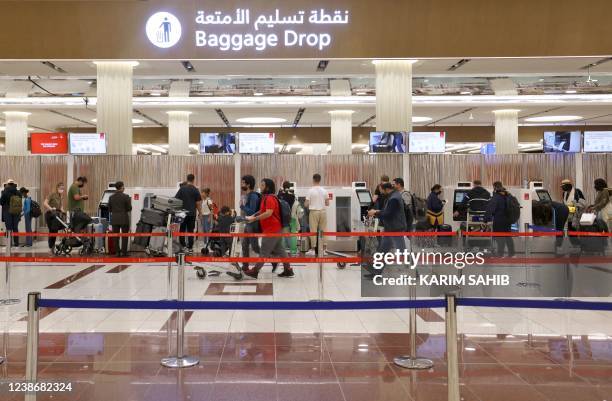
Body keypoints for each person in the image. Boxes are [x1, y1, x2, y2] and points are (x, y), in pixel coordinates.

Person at [228, 178, 294, 280]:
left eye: (263, 185)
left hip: (272, 229)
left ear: (267, 187)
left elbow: (268, 213)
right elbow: (261, 211)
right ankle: (288, 269)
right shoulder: (266, 198)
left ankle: (255, 271)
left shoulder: (270, 198)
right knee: (280, 250)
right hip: (275, 228)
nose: (261, 187)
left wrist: (254, 218)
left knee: (264, 251)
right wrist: (252, 216)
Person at [365, 182, 407, 278]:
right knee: (382, 252)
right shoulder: (392, 196)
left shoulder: (394, 199)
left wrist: (375, 212)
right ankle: (376, 272)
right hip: (391, 229)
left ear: (386, 189)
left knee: (402, 252)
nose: (381, 193)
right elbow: (387, 211)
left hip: (396, 230)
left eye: (381, 191)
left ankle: (414, 273)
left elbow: (388, 213)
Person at [484, 181, 516, 257]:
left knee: (499, 237)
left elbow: (490, 209)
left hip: (499, 219)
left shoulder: (496, 196)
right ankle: (512, 254)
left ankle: (500, 254)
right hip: (508, 220)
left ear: (494, 187)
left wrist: (486, 220)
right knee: (508, 237)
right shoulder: (508, 195)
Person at [239, 175, 263, 271]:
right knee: (244, 245)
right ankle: (245, 265)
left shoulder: (253, 196)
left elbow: (252, 212)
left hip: (252, 224)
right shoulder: (248, 195)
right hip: (248, 223)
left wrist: (242, 206)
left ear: (248, 184)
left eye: (243, 182)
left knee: (255, 247)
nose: (242, 184)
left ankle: (272, 259)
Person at [174, 174, 202, 253]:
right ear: (193, 180)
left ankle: (183, 246)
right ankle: (190, 248)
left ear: (187, 179)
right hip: (192, 213)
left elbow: (176, 200)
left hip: (182, 213)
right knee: (190, 231)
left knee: (182, 230)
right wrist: (200, 213)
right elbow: (198, 203)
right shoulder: (195, 190)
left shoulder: (182, 189)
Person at [305, 173, 329, 254]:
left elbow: (306, 204)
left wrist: (306, 204)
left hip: (314, 212)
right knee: (323, 230)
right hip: (323, 212)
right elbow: (327, 203)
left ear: (313, 180)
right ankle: (324, 250)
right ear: (320, 180)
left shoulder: (310, 190)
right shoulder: (324, 190)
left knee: (313, 230)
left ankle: (312, 249)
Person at [108, 181, 132, 257]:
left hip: (114, 219)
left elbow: (109, 209)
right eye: (123, 186)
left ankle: (117, 252)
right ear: (121, 187)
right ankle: (124, 253)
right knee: (124, 236)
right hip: (124, 219)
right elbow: (129, 208)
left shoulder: (111, 197)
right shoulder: (126, 196)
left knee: (116, 237)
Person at [44, 182, 65, 253]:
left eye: (63, 188)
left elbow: (61, 206)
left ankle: (52, 246)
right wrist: (50, 208)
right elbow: (45, 203)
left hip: (57, 215)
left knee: (55, 230)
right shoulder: (52, 194)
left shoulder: (61, 196)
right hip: (50, 214)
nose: (62, 190)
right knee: (52, 230)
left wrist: (63, 210)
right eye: (61, 188)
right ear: (57, 188)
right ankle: (51, 247)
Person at [278, 181, 297, 253]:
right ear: (289, 187)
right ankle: (291, 248)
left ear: (283, 186)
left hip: (280, 216)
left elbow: (278, 199)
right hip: (289, 216)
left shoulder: (280, 195)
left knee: (281, 233)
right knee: (290, 232)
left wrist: (281, 191)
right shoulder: (292, 195)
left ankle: (283, 247)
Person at [0, 182, 21, 247]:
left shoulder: (5, 192)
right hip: (16, 212)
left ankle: (9, 244)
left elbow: (1, 202)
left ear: (8, 184)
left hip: (7, 211)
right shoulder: (18, 192)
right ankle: (16, 244)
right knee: (15, 228)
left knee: (9, 228)